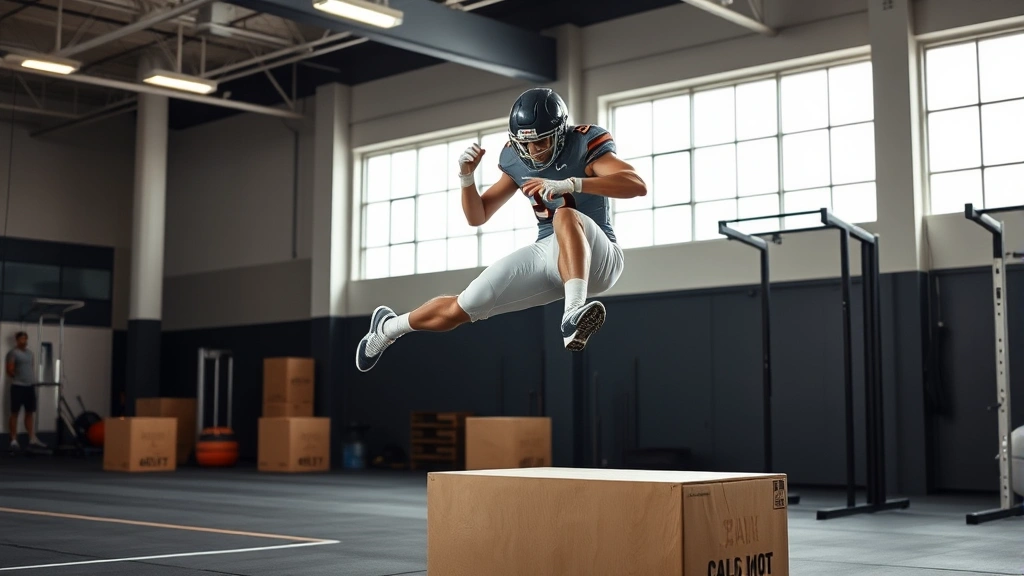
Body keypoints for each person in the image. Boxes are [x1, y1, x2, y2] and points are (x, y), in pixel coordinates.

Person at [356, 87, 647, 372]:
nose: (533, 151)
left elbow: (636, 184)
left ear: (560, 132)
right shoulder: (514, 158)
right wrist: (466, 177)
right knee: (465, 304)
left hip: (600, 257)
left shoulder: (584, 142)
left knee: (566, 214)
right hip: (550, 253)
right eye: (526, 144)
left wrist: (573, 183)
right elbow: (478, 215)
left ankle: (572, 314)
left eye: (542, 142)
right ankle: (387, 328)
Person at [8, 331, 44, 450]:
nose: (24, 341)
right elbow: (10, 369)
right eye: (22, 339)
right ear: (17, 340)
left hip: (29, 387)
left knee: (30, 412)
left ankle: (32, 438)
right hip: (18, 387)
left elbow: (30, 368)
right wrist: (16, 375)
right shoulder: (13, 353)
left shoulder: (30, 353)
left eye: (25, 339)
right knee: (15, 413)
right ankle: (13, 439)